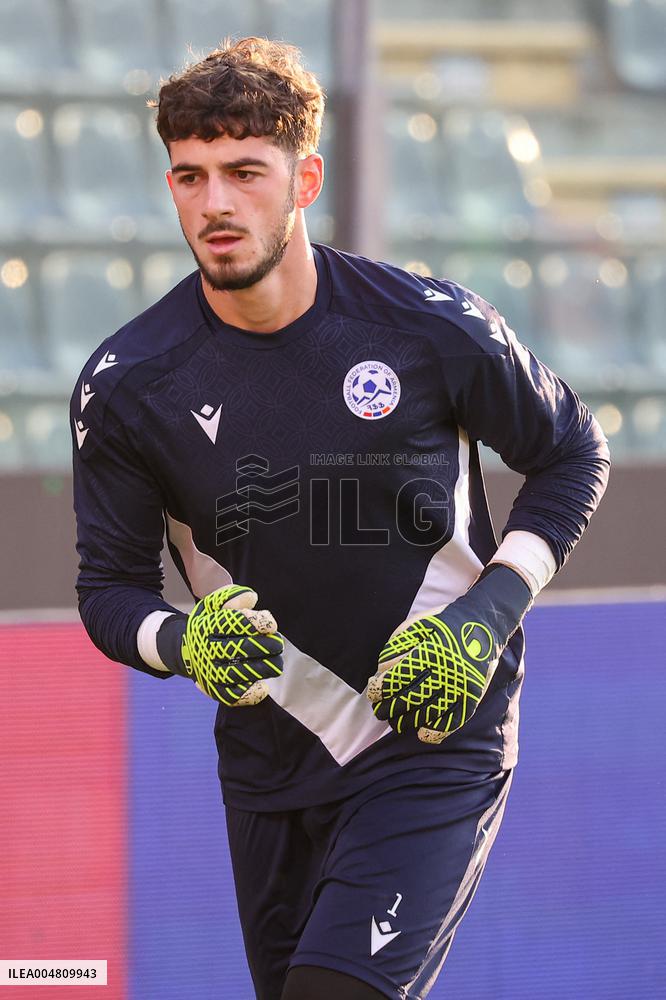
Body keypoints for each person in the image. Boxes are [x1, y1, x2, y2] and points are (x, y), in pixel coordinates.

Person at [71, 36, 610, 1000]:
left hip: (434, 733)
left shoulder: (430, 326)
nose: (215, 203)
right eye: (190, 177)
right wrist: (183, 643)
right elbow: (108, 589)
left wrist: (485, 619)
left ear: (305, 179)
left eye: (245, 172)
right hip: (271, 756)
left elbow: (573, 452)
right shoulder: (127, 386)